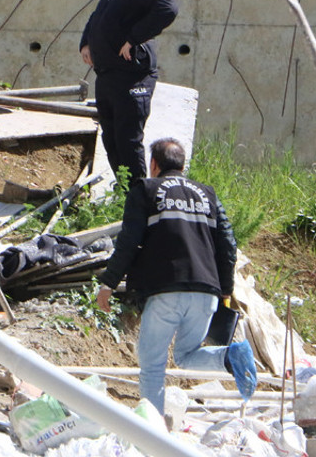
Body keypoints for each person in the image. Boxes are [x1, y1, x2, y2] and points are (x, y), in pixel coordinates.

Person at [95, 137, 258, 415]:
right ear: (183, 165)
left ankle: (153, 432)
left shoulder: (146, 189)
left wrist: (109, 282)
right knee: (186, 355)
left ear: (153, 164)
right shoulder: (208, 194)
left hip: (165, 291)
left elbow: (129, 241)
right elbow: (228, 243)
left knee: (153, 367)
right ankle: (230, 355)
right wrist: (225, 289)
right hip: (206, 292)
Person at [79, 0, 178, 181]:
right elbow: (97, 17)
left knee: (128, 137)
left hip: (133, 75)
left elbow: (168, 7)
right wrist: (86, 42)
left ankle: (139, 196)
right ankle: (126, 192)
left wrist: (134, 38)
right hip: (107, 73)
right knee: (110, 138)